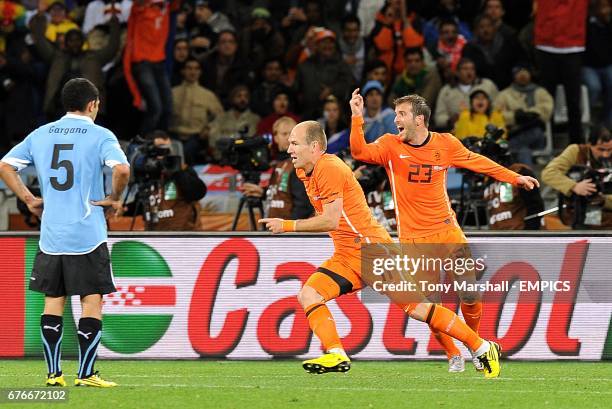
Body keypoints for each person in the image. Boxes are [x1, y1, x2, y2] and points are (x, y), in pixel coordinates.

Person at [259, 120, 502, 378]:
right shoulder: (304, 171)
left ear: (315, 146)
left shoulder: (329, 167)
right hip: (346, 255)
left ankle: (482, 347)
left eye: (295, 143)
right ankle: (336, 354)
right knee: (309, 294)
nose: (289, 149)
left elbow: (330, 219)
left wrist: (287, 225)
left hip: (373, 251)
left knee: (418, 310)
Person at [350, 90, 538, 373]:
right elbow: (359, 152)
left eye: (402, 115)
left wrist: (515, 177)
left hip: (448, 232)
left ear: (420, 119)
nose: (396, 121)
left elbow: (478, 162)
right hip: (414, 240)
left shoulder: (445, 143)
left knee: (470, 295)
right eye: (396, 114)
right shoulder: (389, 145)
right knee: (430, 308)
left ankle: (475, 347)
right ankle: (453, 354)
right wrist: (356, 117)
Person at [0, 78, 130, 387]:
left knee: (53, 300)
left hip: (52, 235)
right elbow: (122, 169)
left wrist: (29, 199)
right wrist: (114, 197)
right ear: (92, 104)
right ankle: (86, 374)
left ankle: (53, 374)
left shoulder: (41, 134)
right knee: (91, 300)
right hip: (87, 232)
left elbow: (5, 165)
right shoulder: (100, 135)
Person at [541, 126, 612, 229]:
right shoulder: (576, 151)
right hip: (576, 211)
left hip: (607, 211)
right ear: (589, 144)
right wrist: (574, 186)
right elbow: (548, 173)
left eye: (610, 149)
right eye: (601, 149)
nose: (605, 154)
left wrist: (604, 200)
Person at [242, 116, 312, 220]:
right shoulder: (280, 163)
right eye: (284, 134)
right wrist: (264, 192)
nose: (289, 138)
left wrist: (290, 229)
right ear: (275, 137)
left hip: (288, 232)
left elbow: (304, 205)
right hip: (277, 231)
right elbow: (284, 194)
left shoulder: (299, 164)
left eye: (292, 134)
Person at [494, 64, 554, 165]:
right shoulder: (504, 94)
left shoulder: (541, 92)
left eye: (525, 72)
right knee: (523, 151)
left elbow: (547, 109)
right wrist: (515, 116)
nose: (523, 75)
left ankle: (509, 147)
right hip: (514, 132)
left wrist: (530, 113)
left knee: (535, 132)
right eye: (519, 73)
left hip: (536, 134)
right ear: (513, 76)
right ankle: (529, 177)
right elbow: (497, 114)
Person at [169, 57, 223, 165]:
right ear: (183, 71)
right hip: (174, 135)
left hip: (196, 137)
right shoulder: (172, 93)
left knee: (185, 153)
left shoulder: (207, 95)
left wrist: (209, 128)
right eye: (189, 68)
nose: (193, 72)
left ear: (200, 72)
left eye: (196, 69)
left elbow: (220, 117)